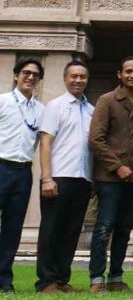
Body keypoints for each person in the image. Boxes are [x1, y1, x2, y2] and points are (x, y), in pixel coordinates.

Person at [88, 56, 133, 293]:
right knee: (104, 228)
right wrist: (118, 166)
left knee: (124, 230)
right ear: (119, 74)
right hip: (109, 178)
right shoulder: (107, 101)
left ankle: (116, 278)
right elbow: (96, 139)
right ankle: (96, 279)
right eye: (128, 71)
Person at [35, 60, 94, 293]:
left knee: (71, 231)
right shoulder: (55, 106)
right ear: (65, 78)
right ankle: (46, 281)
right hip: (58, 176)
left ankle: (61, 278)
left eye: (82, 77)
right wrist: (47, 178)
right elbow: (45, 142)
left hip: (83, 179)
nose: (78, 80)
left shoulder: (91, 110)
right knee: (51, 229)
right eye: (74, 76)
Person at [0, 57, 45, 294]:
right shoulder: (3, 101)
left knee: (12, 228)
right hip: (1, 166)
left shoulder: (41, 109)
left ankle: (4, 280)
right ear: (16, 75)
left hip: (23, 171)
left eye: (35, 75)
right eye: (26, 73)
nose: (30, 77)